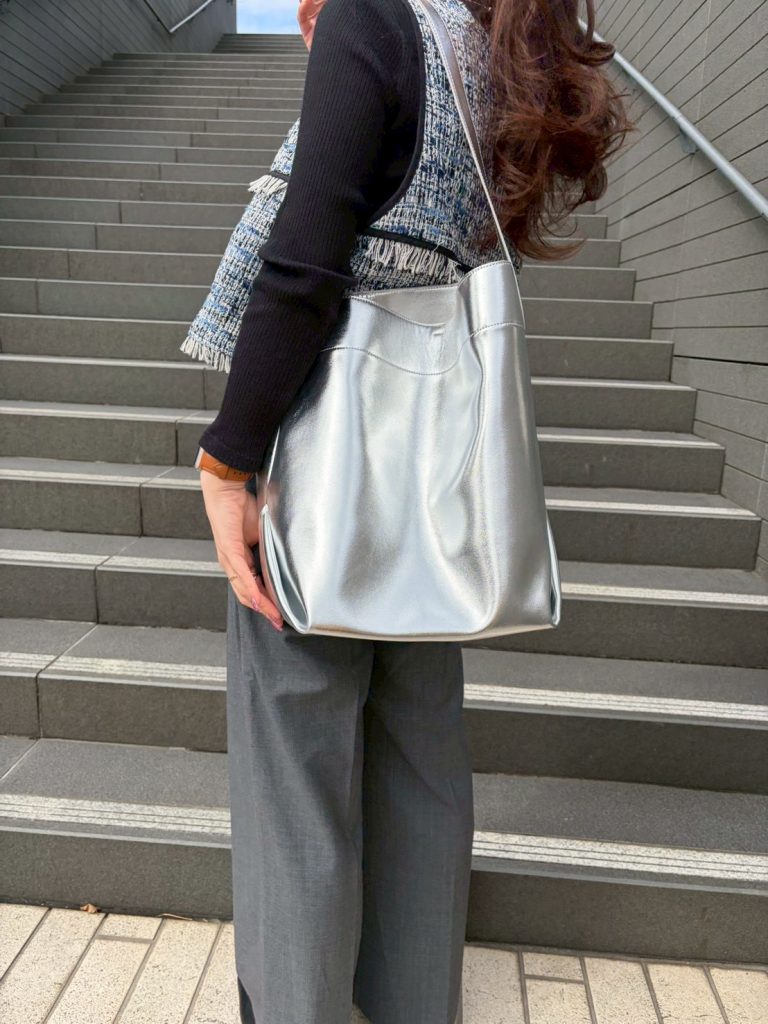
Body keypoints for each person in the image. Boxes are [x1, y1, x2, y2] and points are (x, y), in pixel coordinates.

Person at [187, 0, 631, 1021]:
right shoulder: (494, 47)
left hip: (328, 473)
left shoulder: (379, 22)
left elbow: (304, 260)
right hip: (434, 500)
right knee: (420, 775)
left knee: (296, 784)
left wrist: (227, 460)